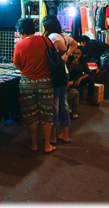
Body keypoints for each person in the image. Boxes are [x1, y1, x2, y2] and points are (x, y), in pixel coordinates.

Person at [13, 18, 57, 154]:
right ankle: (47, 145)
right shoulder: (46, 41)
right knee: (46, 113)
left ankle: (33, 144)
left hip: (27, 83)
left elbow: (17, 65)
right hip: (46, 82)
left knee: (30, 114)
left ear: (21, 32)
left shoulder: (19, 46)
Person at [42, 15, 78, 144]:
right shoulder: (63, 35)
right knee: (63, 103)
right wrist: (67, 55)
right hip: (65, 72)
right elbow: (75, 44)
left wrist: (61, 55)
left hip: (56, 73)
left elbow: (62, 48)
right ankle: (65, 135)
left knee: (54, 104)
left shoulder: (52, 37)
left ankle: (52, 136)